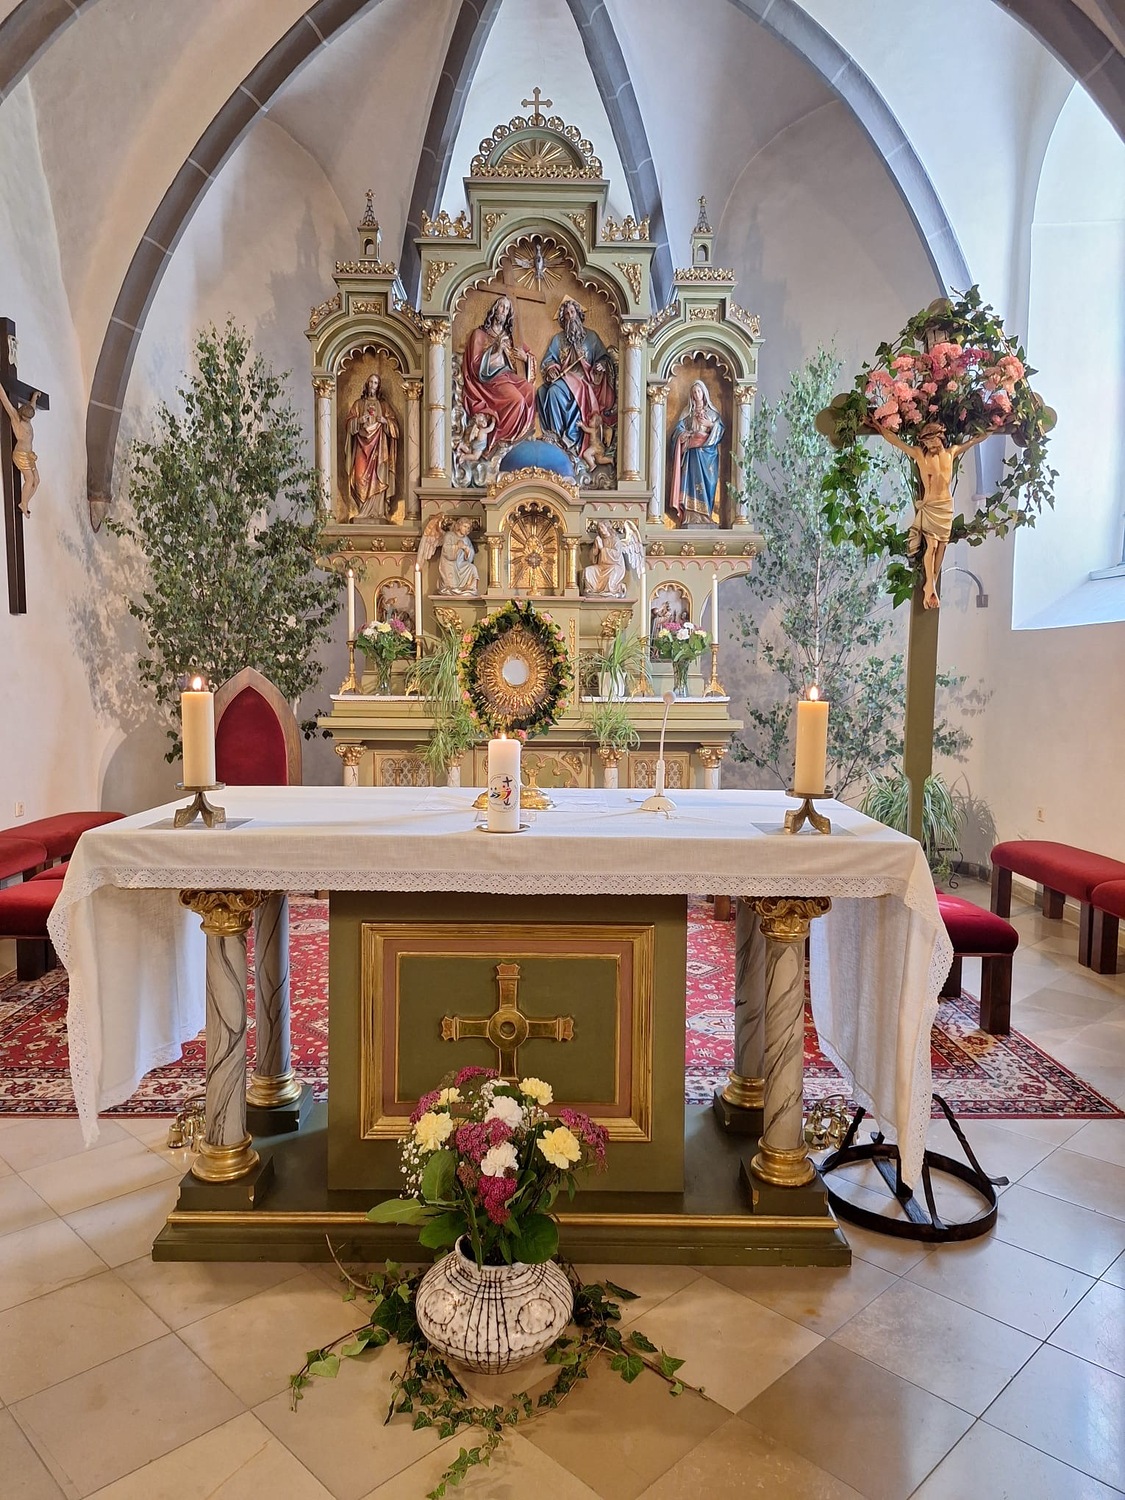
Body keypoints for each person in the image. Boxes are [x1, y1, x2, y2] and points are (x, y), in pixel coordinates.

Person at [874, 419, 987, 608]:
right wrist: (879, 427)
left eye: (932, 441)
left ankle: (930, 585)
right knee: (932, 547)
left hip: (946, 506)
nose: (930, 445)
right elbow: (897, 442)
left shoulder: (951, 453)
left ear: (940, 437)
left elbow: (974, 440)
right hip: (931, 505)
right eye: (926, 443)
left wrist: (993, 427)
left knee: (942, 546)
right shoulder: (921, 455)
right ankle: (930, 586)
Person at [536, 298, 615, 466]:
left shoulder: (591, 337)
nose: (570, 316)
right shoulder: (558, 339)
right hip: (564, 379)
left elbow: (604, 358)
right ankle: (556, 435)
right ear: (563, 319)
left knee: (554, 391)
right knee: (544, 391)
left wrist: (601, 365)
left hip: (585, 382)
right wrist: (551, 369)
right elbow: (548, 360)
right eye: (566, 314)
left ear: (578, 314)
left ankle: (567, 439)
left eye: (572, 312)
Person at [460, 295, 536, 447]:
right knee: (517, 400)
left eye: (507, 309)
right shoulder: (480, 334)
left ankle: (521, 433)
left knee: (530, 391)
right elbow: (476, 365)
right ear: (494, 309)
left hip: (508, 375)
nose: (503, 311)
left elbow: (528, 354)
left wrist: (526, 358)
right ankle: (501, 439)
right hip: (490, 379)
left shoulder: (510, 337)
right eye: (501, 306)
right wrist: (498, 351)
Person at [344, 373, 399, 521]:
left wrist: (385, 421)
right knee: (360, 476)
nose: (372, 385)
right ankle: (363, 511)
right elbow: (348, 425)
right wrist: (358, 421)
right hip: (361, 447)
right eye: (370, 382)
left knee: (378, 475)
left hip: (379, 448)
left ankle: (378, 511)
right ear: (366, 384)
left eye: (375, 383)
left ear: (378, 386)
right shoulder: (358, 404)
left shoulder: (384, 406)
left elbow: (395, 429)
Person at [668, 380, 723, 526]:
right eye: (694, 392)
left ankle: (705, 515)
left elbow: (720, 431)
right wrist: (683, 435)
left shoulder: (712, 413)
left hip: (707, 456)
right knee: (691, 483)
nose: (696, 394)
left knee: (708, 484)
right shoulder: (688, 413)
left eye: (699, 391)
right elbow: (677, 431)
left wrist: (710, 425)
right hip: (692, 455)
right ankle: (690, 517)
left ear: (704, 393)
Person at [0, 385, 40, 517]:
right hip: (21, 455)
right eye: (27, 418)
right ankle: (24, 503)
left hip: (29, 454)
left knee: (36, 481)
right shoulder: (16, 418)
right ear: (22, 414)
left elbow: (32, 406)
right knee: (29, 479)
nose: (28, 420)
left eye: (30, 418)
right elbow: (5, 400)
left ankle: (24, 502)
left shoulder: (28, 414)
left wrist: (34, 397)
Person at [582, 521, 627, 597]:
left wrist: (602, 549)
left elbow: (616, 555)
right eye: (599, 528)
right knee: (588, 570)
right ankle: (591, 589)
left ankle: (612, 590)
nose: (601, 530)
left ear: (607, 527)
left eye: (602, 527)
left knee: (612, 572)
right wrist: (596, 548)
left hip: (614, 566)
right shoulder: (599, 539)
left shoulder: (615, 540)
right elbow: (593, 559)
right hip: (601, 567)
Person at [437, 517, 480, 595]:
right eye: (465, 526)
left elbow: (470, 557)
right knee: (452, 582)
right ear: (459, 526)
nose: (466, 529)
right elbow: (446, 550)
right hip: (450, 563)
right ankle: (452, 588)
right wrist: (456, 546)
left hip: (461, 564)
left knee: (472, 568)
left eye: (468, 528)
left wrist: (465, 548)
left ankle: (471, 587)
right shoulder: (449, 535)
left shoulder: (466, 539)